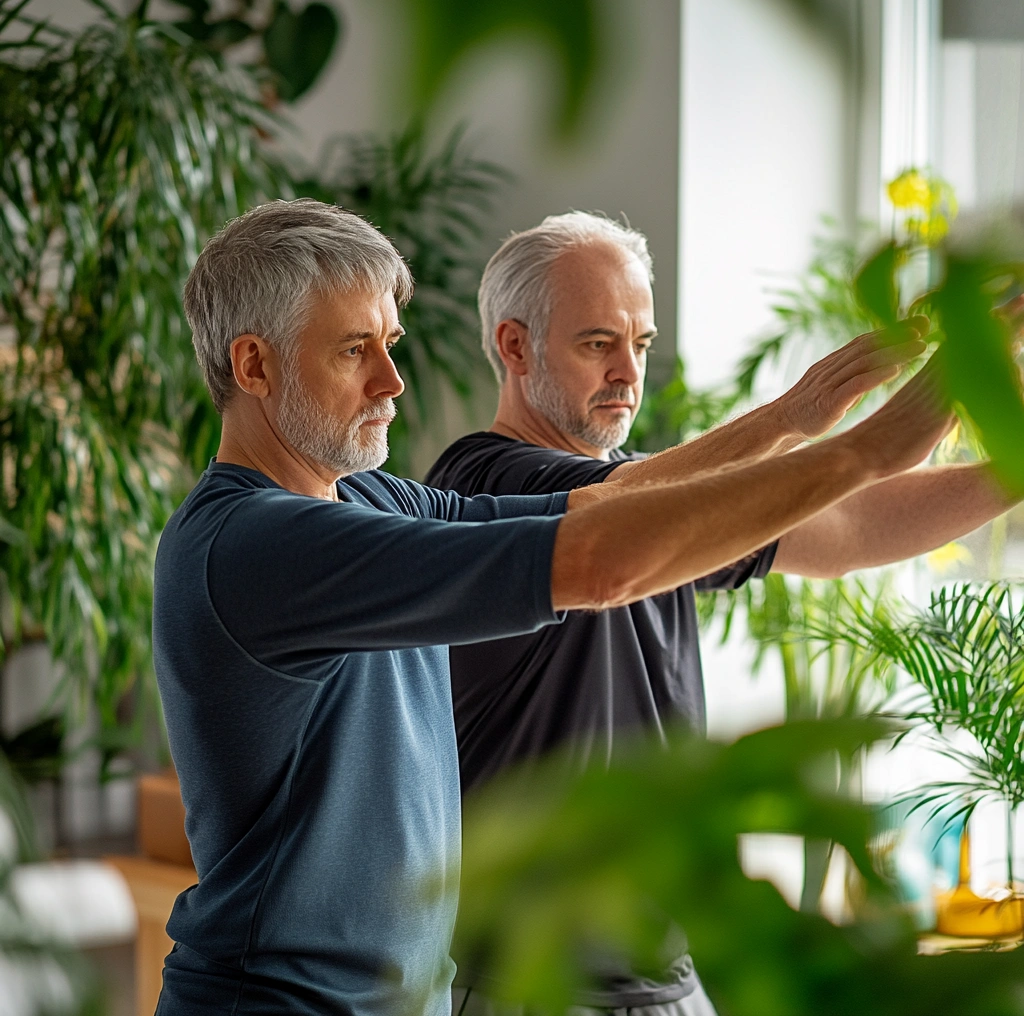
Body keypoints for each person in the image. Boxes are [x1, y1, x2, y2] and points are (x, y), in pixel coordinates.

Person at [152, 199, 954, 1015]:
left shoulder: (371, 499)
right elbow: (600, 562)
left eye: (390, 346)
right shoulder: (258, 543)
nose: (393, 381)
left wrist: (794, 421)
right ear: (253, 366)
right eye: (355, 350)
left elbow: (604, 508)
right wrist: (863, 449)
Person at [424, 212, 1021, 1015]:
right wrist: (793, 418)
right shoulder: (475, 482)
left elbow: (850, 529)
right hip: (532, 983)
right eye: (598, 343)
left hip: (669, 978)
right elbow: (608, 511)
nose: (628, 373)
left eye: (640, 343)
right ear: (515, 346)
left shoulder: (656, 499)